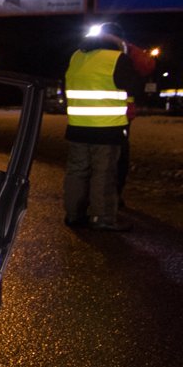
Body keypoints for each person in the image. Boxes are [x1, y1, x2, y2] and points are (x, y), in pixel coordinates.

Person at [62, 22, 142, 230]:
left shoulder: (76, 57)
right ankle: (102, 217)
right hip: (107, 129)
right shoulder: (117, 59)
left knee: (77, 171)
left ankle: (74, 214)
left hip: (78, 127)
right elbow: (133, 87)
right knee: (104, 173)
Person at [117, 39, 156, 207]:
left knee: (113, 159)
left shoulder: (126, 51)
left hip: (119, 116)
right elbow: (147, 66)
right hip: (116, 116)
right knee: (114, 158)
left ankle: (109, 198)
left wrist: (128, 47)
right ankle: (105, 202)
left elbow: (147, 65)